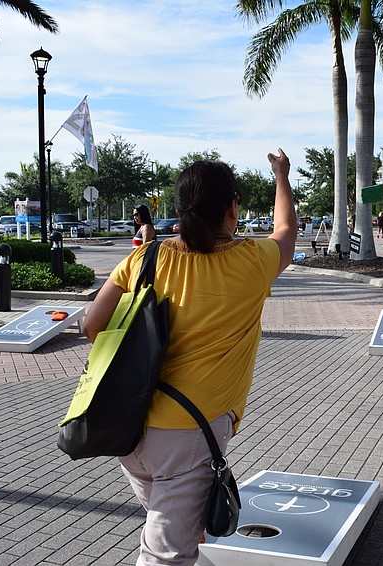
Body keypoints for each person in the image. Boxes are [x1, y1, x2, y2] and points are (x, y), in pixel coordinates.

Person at [82, 149, 297, 565]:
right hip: (189, 437)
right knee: (167, 555)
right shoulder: (252, 261)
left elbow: (92, 325)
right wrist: (281, 177)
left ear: (179, 210)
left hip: (127, 425)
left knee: (171, 527)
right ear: (233, 209)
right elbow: (285, 229)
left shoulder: (145, 258)